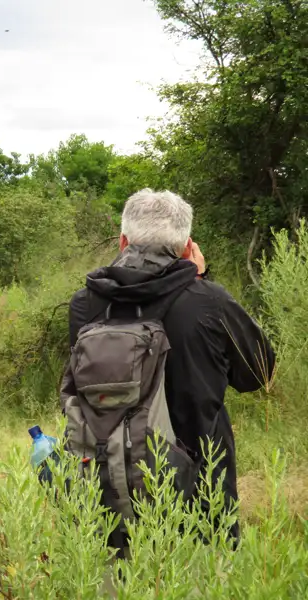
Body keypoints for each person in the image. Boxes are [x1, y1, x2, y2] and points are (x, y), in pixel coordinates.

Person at [63, 189, 275, 547]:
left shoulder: (85, 305)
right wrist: (200, 280)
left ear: (123, 240)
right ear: (187, 245)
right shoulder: (208, 301)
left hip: (109, 498)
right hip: (201, 504)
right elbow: (259, 374)